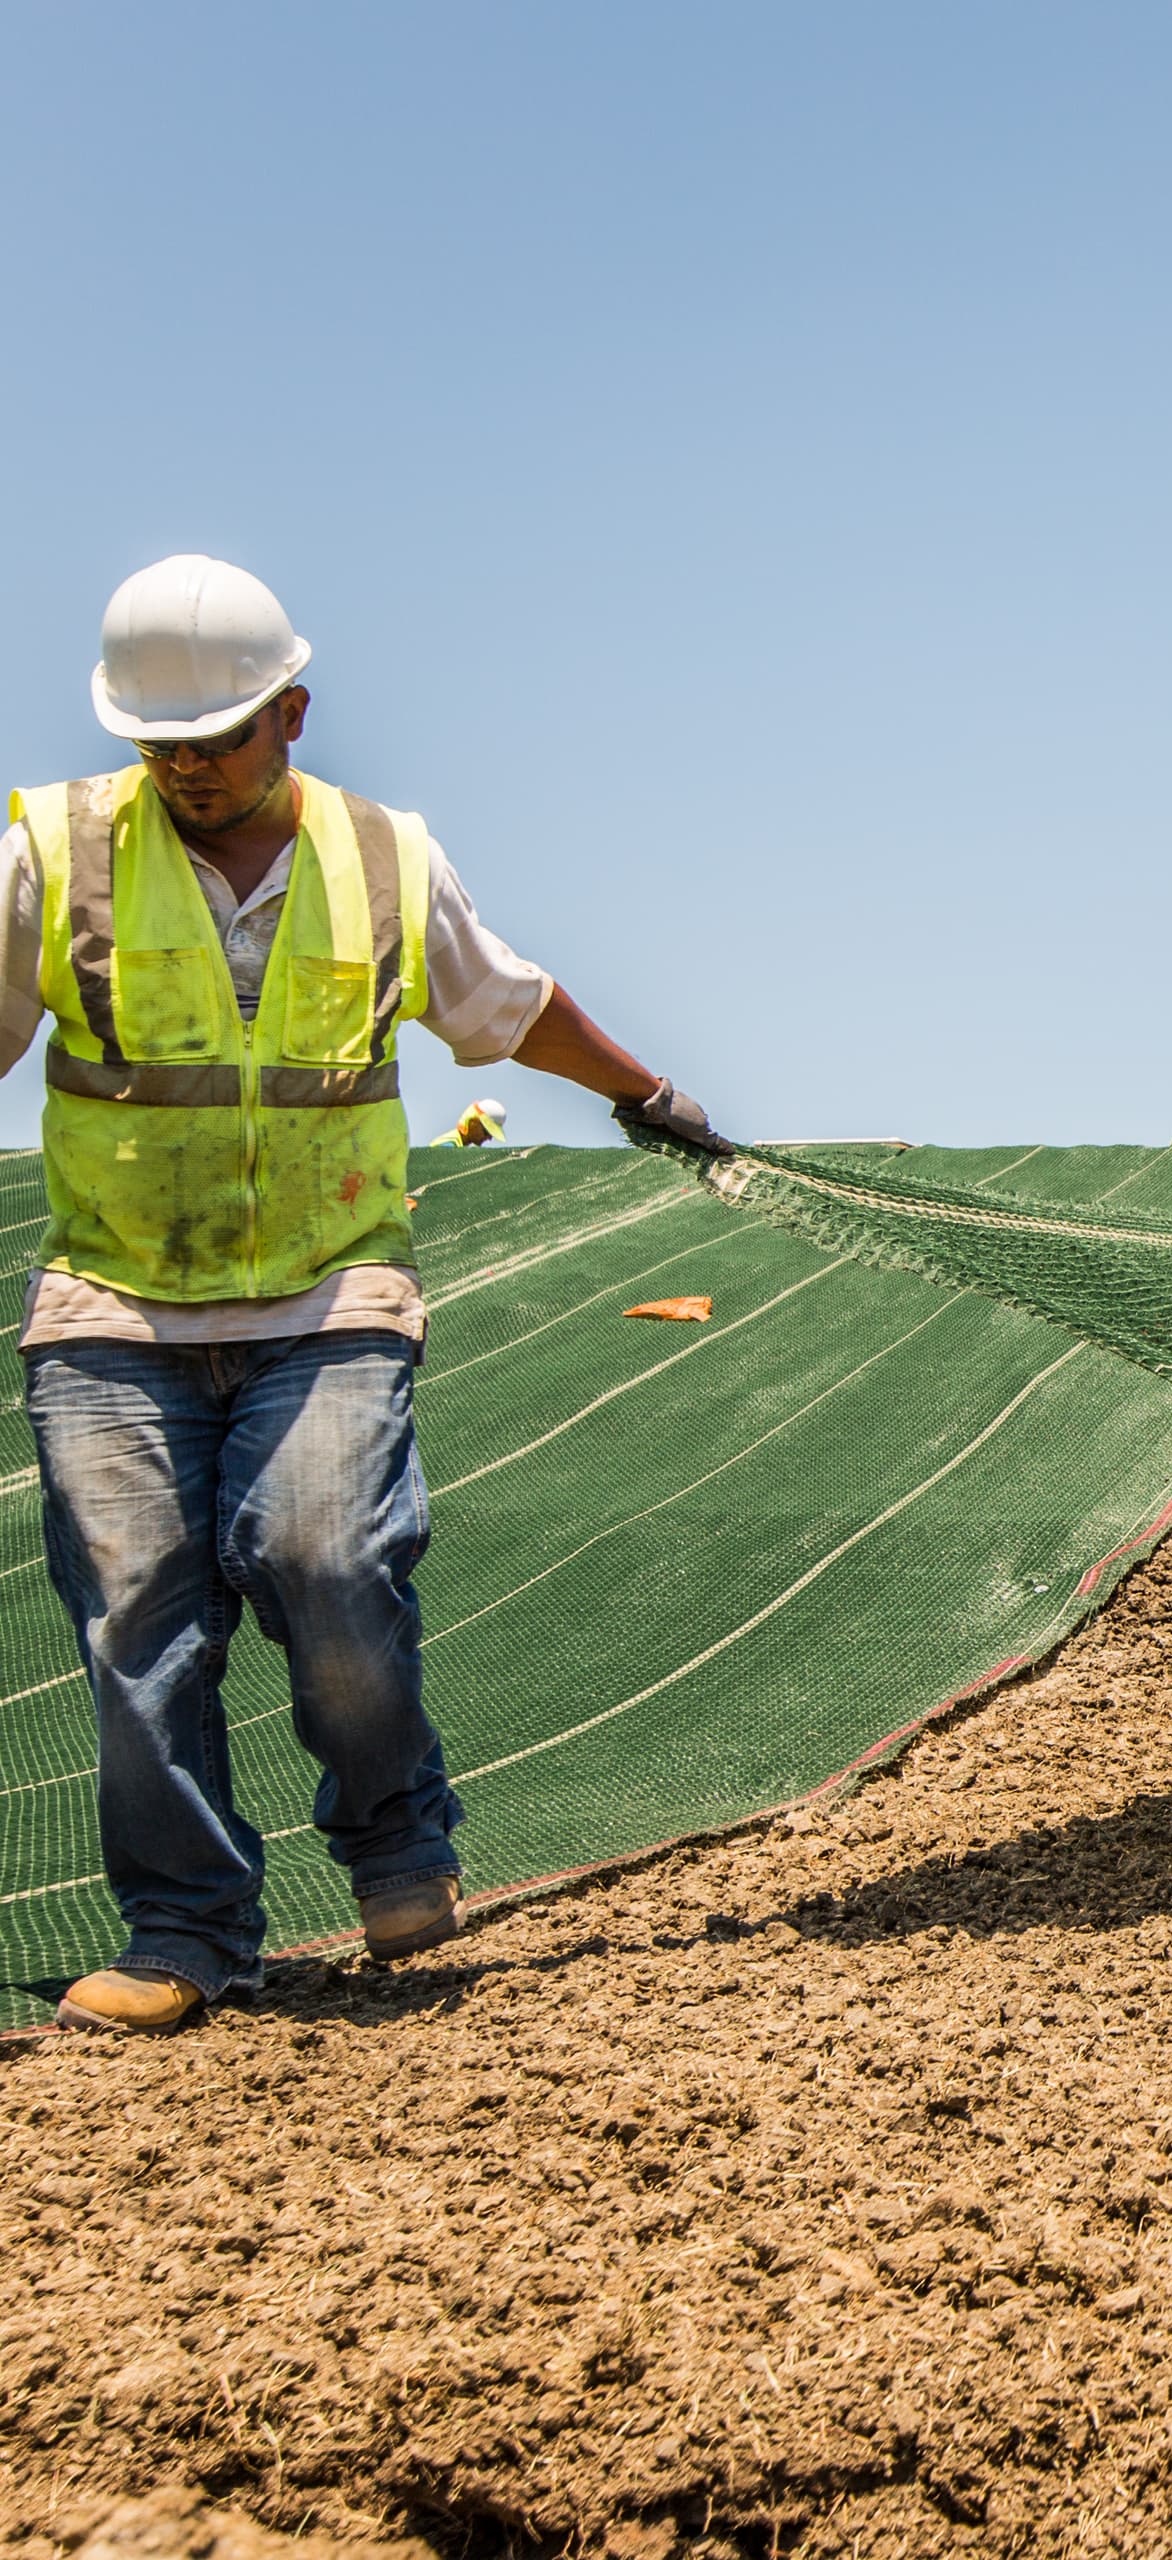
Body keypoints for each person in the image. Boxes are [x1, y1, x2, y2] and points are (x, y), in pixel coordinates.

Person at [7, 556, 730, 2034]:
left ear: (293, 712)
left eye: (219, 737)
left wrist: (645, 1090)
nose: (191, 770)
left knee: (329, 1565)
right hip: (112, 1307)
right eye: (164, 746)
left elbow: (504, 1005)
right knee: (138, 1621)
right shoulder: (55, 850)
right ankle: (185, 1935)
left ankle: (397, 1843)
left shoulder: (381, 855)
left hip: (330, 1295)